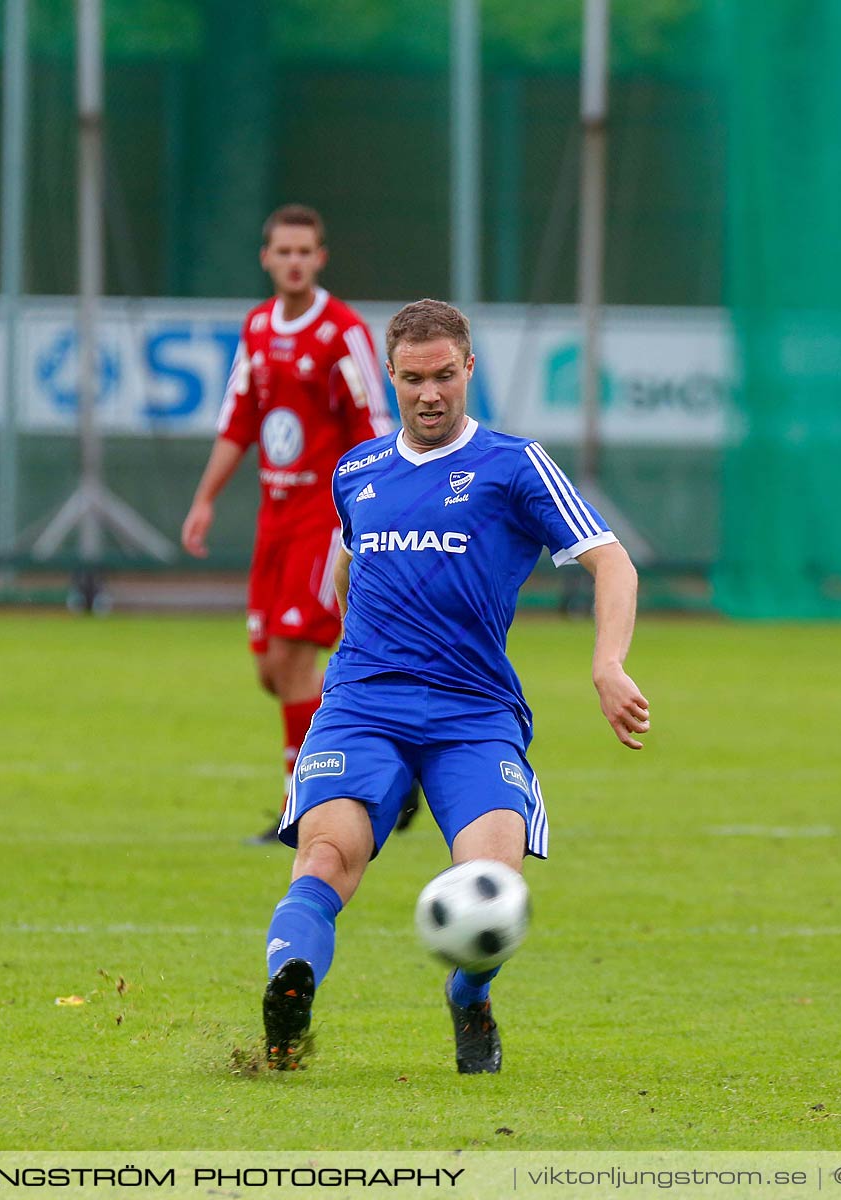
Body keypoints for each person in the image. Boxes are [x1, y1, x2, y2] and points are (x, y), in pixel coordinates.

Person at [258, 299, 650, 1073]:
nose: (429, 394)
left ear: (470, 369)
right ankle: (288, 992)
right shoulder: (358, 472)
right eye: (412, 379)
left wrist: (607, 664)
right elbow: (345, 572)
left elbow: (613, 560)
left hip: (473, 714)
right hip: (363, 709)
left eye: (444, 376)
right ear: (392, 379)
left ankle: (470, 995)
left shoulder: (514, 465)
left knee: (493, 885)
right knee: (327, 858)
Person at [180, 205, 396, 842]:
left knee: (293, 661)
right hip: (273, 521)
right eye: (284, 250)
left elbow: (376, 424)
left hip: (324, 521)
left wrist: (372, 506)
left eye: (306, 251)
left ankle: (298, 813)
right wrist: (205, 498)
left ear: (321, 258)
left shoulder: (342, 332)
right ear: (266, 258)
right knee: (273, 673)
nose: (295, 261)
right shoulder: (255, 328)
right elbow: (239, 419)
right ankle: (387, 737)